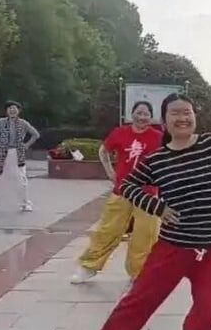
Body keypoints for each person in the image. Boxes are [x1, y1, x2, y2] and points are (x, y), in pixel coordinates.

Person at [65, 93, 211, 330]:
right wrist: (158, 208)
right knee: (137, 303)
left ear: (194, 116)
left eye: (187, 112)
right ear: (164, 121)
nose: (183, 118)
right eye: (175, 113)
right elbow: (127, 186)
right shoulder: (158, 159)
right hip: (171, 249)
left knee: (206, 312)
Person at [70, 101, 165, 284]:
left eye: (146, 114)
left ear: (151, 117)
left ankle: (140, 273)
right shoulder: (120, 133)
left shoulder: (158, 137)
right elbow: (103, 150)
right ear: (132, 114)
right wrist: (110, 172)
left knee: (145, 234)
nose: (142, 117)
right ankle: (88, 266)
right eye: (138, 113)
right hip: (122, 190)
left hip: (147, 194)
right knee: (108, 230)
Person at [0, 101, 40, 212]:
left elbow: (35, 134)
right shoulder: (1, 122)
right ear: (6, 111)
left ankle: (25, 203)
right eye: (10, 108)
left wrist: (27, 145)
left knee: (21, 178)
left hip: (17, 152)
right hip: (3, 152)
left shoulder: (23, 123)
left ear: (18, 111)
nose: (12, 110)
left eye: (14, 108)